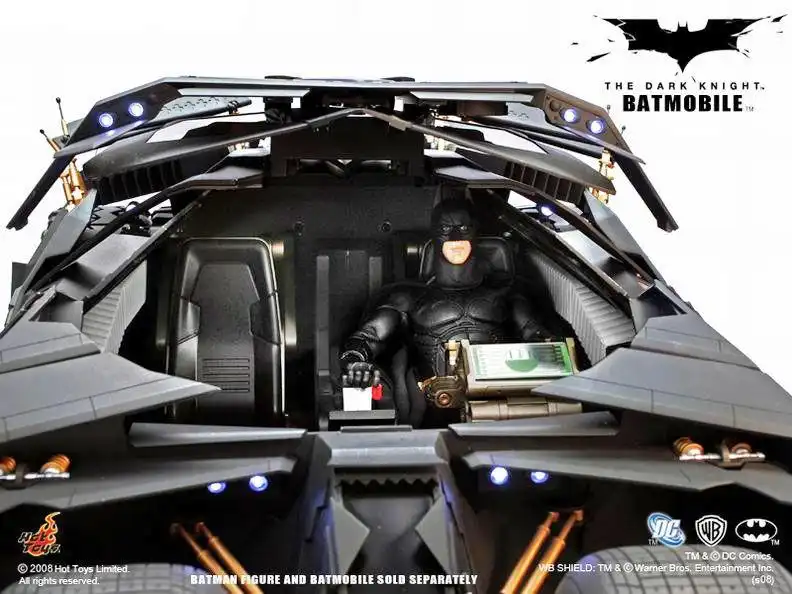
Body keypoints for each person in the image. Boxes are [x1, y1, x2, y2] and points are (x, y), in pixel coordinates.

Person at [339, 197, 549, 423]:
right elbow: (367, 337)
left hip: (503, 405)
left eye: (463, 228)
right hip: (432, 412)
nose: (455, 237)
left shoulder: (507, 291)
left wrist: (552, 350)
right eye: (446, 229)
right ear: (434, 235)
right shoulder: (407, 297)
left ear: (476, 232)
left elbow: (536, 334)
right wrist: (356, 362)